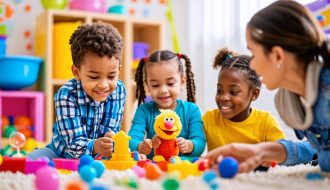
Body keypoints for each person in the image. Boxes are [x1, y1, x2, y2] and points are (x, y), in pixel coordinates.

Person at [207, 0, 330, 173]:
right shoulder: (291, 101)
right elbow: (319, 149)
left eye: (253, 53)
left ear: (277, 55)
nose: (253, 65)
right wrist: (260, 152)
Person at [27, 23, 126, 159]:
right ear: (76, 72)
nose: (103, 85)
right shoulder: (67, 95)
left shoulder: (119, 90)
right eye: (94, 77)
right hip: (61, 153)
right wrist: (95, 146)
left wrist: (111, 140)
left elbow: (112, 130)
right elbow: (73, 146)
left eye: (111, 76)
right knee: (30, 161)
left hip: (99, 156)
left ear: (119, 70)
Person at [203, 48, 286, 152]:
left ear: (254, 94)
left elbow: (282, 152)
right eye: (219, 91)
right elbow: (193, 144)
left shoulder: (266, 122)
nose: (223, 97)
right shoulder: (209, 119)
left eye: (233, 92)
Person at [128, 50, 206, 159]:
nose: (163, 90)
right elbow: (132, 139)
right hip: (155, 166)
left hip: (183, 167)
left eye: (170, 83)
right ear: (147, 86)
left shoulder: (192, 110)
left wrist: (188, 145)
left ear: (182, 82)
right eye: (155, 85)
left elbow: (200, 142)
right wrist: (141, 146)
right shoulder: (143, 111)